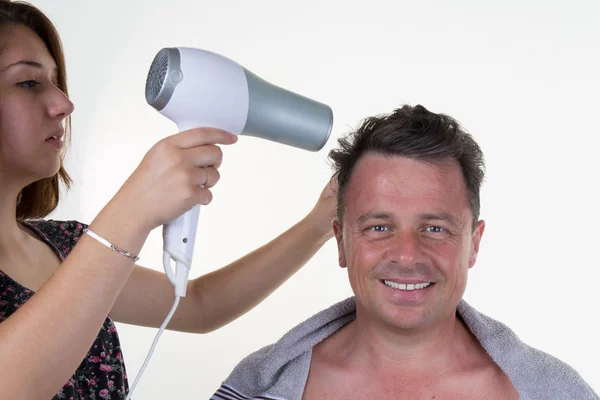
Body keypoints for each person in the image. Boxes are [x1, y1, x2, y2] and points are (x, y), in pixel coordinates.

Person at [0, 1, 337, 399]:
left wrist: (319, 224)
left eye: (57, 82)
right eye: (28, 82)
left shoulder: (67, 250)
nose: (64, 104)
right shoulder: (95, 250)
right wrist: (133, 209)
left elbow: (199, 304)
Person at [211, 105, 599, 400]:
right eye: (379, 228)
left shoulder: (553, 391)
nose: (407, 255)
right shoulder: (259, 386)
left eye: (435, 228)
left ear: (473, 244)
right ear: (341, 241)